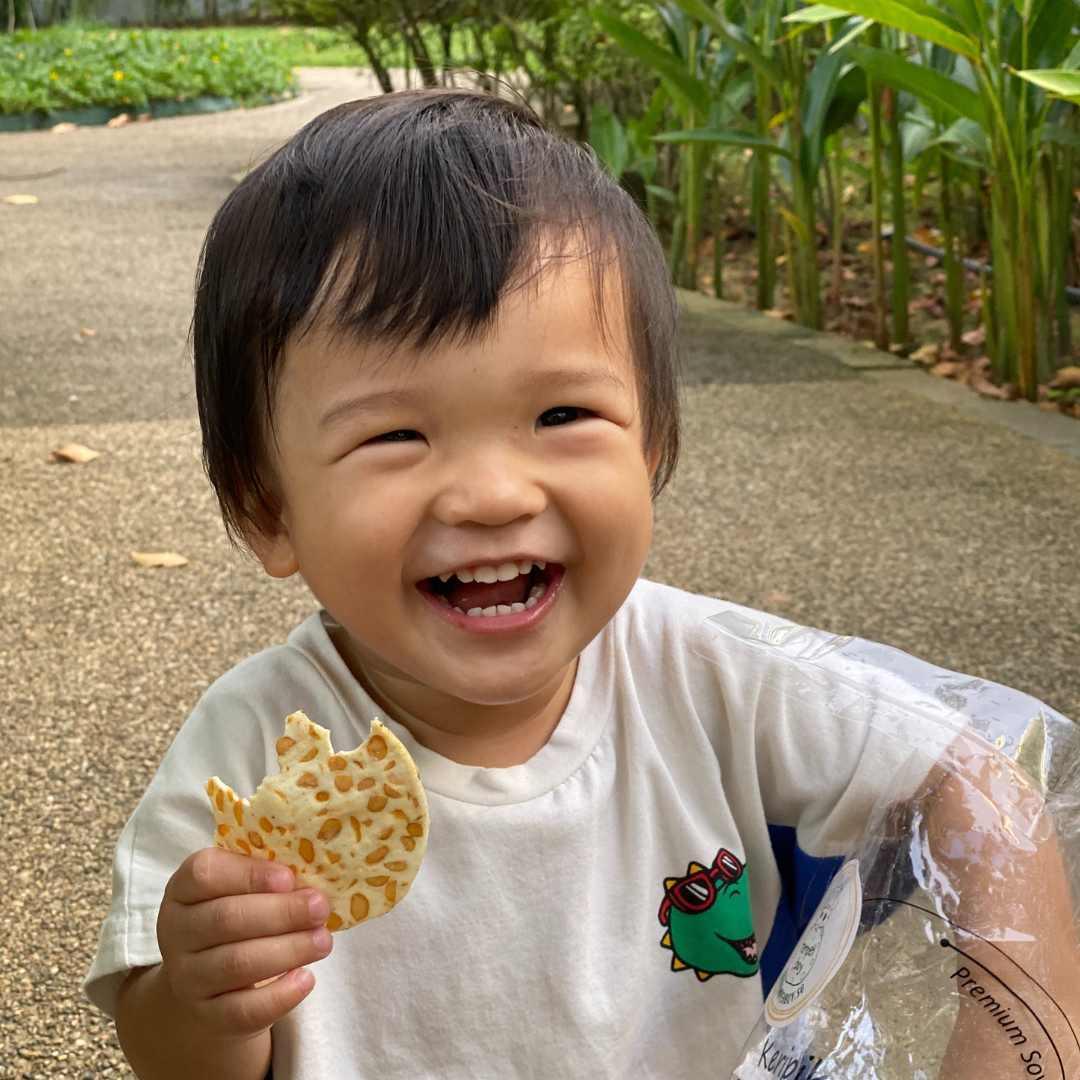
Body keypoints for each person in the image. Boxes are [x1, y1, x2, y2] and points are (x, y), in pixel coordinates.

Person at [83, 87, 1079, 1080]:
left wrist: (1019, 1048)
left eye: (562, 415)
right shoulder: (254, 745)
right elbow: (170, 1055)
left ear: (653, 446)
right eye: (396, 435)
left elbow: (982, 781)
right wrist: (200, 994)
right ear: (267, 509)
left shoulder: (712, 679)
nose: (491, 493)